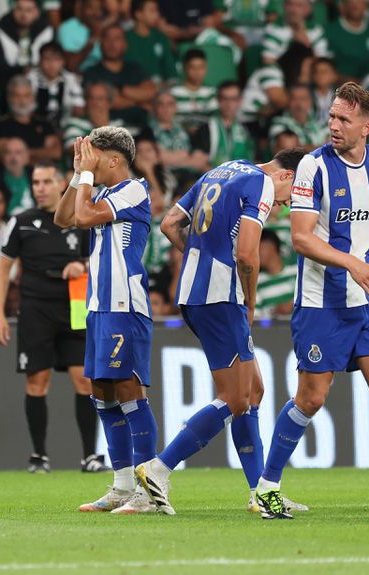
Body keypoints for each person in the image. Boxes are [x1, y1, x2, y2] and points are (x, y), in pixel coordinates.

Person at [254, 82, 369, 520]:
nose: (333, 125)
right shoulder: (312, 169)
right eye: (332, 116)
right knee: (311, 398)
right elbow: (300, 238)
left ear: (367, 127)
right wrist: (351, 264)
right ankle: (267, 487)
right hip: (323, 303)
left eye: (343, 119)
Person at [134, 147, 304, 516]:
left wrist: (202, 257)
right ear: (287, 175)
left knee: (253, 390)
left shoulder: (224, 170)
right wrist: (251, 300)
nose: (286, 206)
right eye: (290, 197)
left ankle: (261, 491)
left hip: (195, 291)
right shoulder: (260, 183)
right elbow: (247, 254)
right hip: (221, 297)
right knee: (236, 398)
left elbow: (168, 224)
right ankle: (159, 468)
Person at [54, 127, 160, 514]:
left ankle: (151, 491)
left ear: (114, 159)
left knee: (129, 390)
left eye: (94, 155)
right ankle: (121, 485)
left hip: (124, 305)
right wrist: (77, 174)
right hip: (98, 305)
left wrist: (84, 176)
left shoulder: (134, 189)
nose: (89, 161)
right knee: (101, 391)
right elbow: (63, 215)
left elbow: (81, 218)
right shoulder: (101, 193)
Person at [0, 162, 103, 474]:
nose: (39, 188)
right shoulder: (21, 221)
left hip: (75, 307)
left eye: (46, 182)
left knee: (84, 379)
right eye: (35, 182)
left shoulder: (80, 219)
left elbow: (96, 260)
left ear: (61, 184)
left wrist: (81, 266)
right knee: (37, 381)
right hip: (35, 309)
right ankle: (39, 455)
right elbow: (3, 270)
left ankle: (89, 456)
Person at [83, 25, 156, 124]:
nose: (112, 44)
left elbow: (151, 92)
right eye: (107, 38)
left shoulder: (135, 68)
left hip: (141, 125)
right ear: (100, 43)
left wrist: (122, 91)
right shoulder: (92, 72)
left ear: (125, 44)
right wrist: (140, 102)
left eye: (117, 38)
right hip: (108, 126)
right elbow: (111, 101)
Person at [0, 0, 54, 94]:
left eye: (29, 10)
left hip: (40, 82)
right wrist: (21, 71)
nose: (23, 15)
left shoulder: (46, 31)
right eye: (19, 9)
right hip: (6, 84)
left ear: (37, 12)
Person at [0, 75, 61, 163]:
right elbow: (4, 154)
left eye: (26, 95)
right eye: (17, 96)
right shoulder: (2, 125)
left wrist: (24, 153)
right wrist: (42, 153)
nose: (22, 101)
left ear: (33, 97)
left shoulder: (44, 123)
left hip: (44, 172)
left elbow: (56, 153)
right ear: (9, 98)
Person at [192, 81, 254, 168]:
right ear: (218, 100)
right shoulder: (206, 128)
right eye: (225, 99)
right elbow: (199, 162)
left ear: (240, 100)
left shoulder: (247, 128)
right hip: (214, 178)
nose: (229, 104)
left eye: (233, 99)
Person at [26, 42, 85, 129]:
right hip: (34, 126)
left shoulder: (71, 80)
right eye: (47, 59)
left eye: (56, 59)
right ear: (40, 61)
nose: (51, 64)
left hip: (64, 127)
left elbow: (79, 107)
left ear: (63, 62)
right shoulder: (30, 79)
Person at [326, 0, 369, 82]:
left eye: (360, 2)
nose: (355, 6)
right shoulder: (330, 31)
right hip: (339, 87)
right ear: (343, 6)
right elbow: (323, 67)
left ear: (367, 6)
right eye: (351, 2)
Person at [125, 0, 177, 85]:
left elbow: (169, 67)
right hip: (135, 87)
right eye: (152, 11)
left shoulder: (161, 37)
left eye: (157, 11)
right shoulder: (126, 38)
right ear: (139, 14)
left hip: (160, 88)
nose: (157, 15)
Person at [268, 83, 328, 151]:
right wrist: (323, 149)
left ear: (310, 101)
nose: (299, 104)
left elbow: (332, 146)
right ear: (288, 101)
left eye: (303, 99)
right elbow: (288, 150)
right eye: (294, 99)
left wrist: (302, 147)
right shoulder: (279, 122)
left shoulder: (321, 123)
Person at [171, 49, 217, 132]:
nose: (197, 72)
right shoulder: (174, 92)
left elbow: (214, 118)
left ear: (206, 68)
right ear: (184, 68)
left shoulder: (211, 92)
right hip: (180, 132)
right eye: (193, 67)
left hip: (205, 134)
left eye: (201, 67)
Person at [255, 229, 298, 318]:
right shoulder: (256, 283)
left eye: (257, 248)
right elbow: (256, 320)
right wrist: (274, 311)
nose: (255, 254)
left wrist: (294, 305)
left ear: (271, 246)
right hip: (273, 331)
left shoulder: (297, 272)